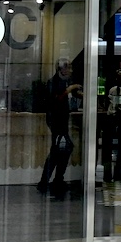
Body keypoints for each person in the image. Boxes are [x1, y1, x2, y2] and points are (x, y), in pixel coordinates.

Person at [37, 59, 74, 197]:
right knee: (58, 150)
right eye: (68, 68)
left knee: (62, 150)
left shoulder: (64, 82)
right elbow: (55, 99)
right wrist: (69, 90)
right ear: (61, 69)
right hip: (56, 122)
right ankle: (47, 181)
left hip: (61, 121)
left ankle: (56, 179)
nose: (70, 71)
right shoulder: (53, 83)